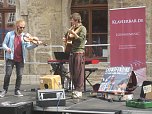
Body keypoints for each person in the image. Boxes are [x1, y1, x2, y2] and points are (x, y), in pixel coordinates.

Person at [0, 19, 42, 97]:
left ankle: (17, 90)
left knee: (19, 75)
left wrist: (36, 44)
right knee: (8, 74)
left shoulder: (25, 36)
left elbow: (28, 47)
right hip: (11, 58)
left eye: (23, 27)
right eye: (21, 27)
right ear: (17, 26)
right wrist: (7, 49)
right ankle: (4, 90)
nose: (22, 29)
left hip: (20, 59)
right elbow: (4, 44)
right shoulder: (9, 34)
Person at [63, 13, 87, 98]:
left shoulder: (82, 28)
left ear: (76, 20)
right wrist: (66, 37)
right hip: (72, 52)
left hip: (79, 52)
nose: (71, 21)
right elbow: (68, 37)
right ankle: (75, 88)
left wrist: (74, 33)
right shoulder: (73, 28)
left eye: (72, 20)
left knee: (78, 72)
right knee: (72, 72)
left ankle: (79, 90)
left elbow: (81, 39)